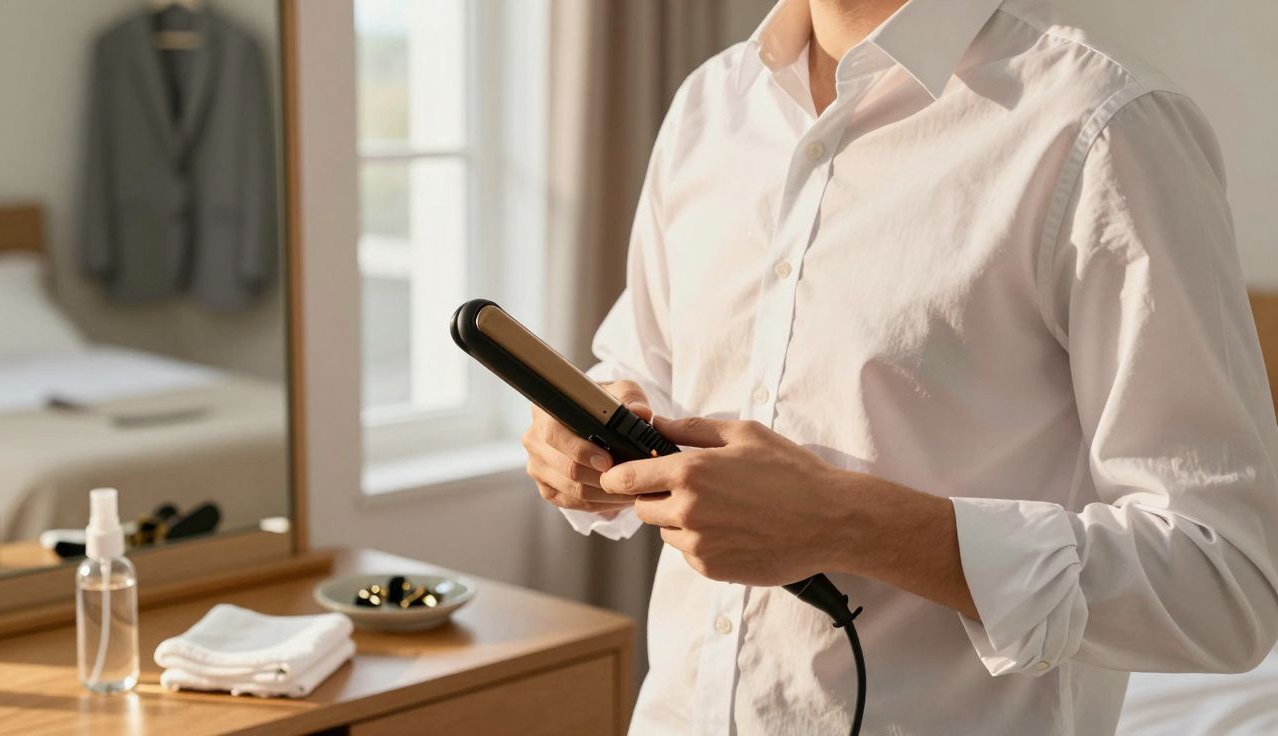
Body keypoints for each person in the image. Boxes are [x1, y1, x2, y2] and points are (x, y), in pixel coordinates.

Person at [521, 0, 1278, 732]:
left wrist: (850, 524)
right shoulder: (709, 106)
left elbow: (1225, 585)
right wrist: (589, 432)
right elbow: (642, 363)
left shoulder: (1104, 126)